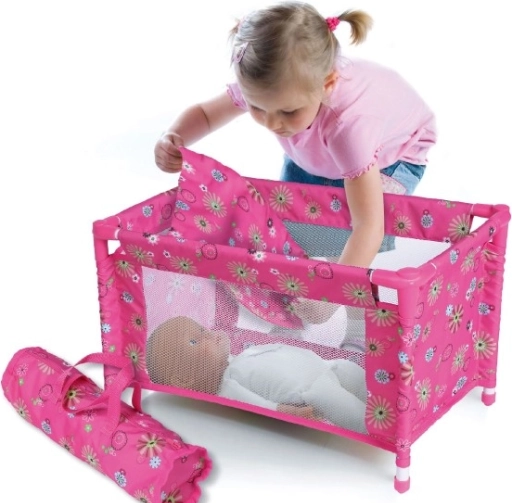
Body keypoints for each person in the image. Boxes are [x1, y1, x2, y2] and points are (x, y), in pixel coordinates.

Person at [153, 2, 436, 322]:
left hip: (392, 155)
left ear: (327, 85)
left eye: (287, 112)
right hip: (317, 149)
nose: (272, 123)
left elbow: (368, 226)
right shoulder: (274, 88)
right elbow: (206, 114)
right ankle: (292, 312)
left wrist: (331, 296)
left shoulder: (348, 128)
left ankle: (355, 330)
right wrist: (173, 136)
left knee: (348, 240)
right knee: (290, 230)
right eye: (258, 108)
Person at [146, 316, 368, 433]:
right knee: (356, 415)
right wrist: (288, 412)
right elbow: (257, 405)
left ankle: (383, 398)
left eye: (202, 329)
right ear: (184, 380)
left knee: (361, 381)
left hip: (324, 365)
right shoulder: (227, 388)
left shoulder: (231, 361)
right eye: (194, 341)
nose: (207, 334)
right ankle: (380, 430)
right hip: (312, 390)